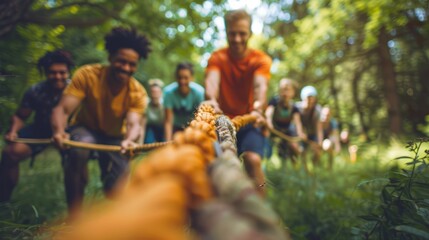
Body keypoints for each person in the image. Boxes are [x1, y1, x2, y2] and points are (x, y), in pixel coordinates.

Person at [51, 27, 150, 214]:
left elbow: (133, 123)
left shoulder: (137, 92)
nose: (126, 68)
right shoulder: (87, 75)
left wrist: (129, 140)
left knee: (116, 189)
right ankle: (75, 215)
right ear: (111, 57)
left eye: (132, 64)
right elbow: (62, 109)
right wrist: (58, 131)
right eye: (122, 61)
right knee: (78, 150)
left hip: (116, 137)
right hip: (85, 128)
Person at [205, 9, 272, 195]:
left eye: (242, 33)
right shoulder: (217, 58)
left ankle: (261, 207)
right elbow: (212, 81)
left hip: (249, 119)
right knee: (218, 165)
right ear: (226, 32)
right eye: (232, 33)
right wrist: (211, 99)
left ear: (250, 33)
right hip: (222, 122)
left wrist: (259, 106)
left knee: (253, 160)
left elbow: (260, 86)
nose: (236, 39)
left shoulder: (260, 60)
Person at [0, 50, 74, 201]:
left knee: (76, 161)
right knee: (10, 153)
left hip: (71, 131)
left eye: (62, 72)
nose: (58, 77)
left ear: (68, 72)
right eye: (53, 73)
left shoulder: (76, 90)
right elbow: (21, 116)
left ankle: (76, 211)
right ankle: (3, 201)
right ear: (45, 72)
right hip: (40, 129)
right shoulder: (35, 91)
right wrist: (13, 131)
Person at [265, 78, 304, 167]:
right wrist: (269, 122)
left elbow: (297, 122)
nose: (285, 93)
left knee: (293, 148)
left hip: (287, 131)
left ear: (293, 92)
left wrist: (300, 133)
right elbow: (269, 112)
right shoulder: (274, 101)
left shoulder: (294, 107)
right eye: (282, 89)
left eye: (287, 90)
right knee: (267, 149)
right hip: (274, 129)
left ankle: (294, 165)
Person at [163, 62, 204, 141]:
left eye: (186, 78)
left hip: (193, 127)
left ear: (192, 78)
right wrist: (167, 142)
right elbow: (168, 121)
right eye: (179, 77)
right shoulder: (168, 93)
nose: (182, 81)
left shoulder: (199, 93)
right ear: (176, 78)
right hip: (175, 127)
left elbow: (200, 119)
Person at [296, 85, 323, 168]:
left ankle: (315, 167)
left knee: (317, 151)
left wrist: (320, 141)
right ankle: (304, 169)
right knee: (302, 151)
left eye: (312, 98)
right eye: (308, 97)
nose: (310, 100)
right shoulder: (297, 107)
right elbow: (296, 122)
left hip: (312, 133)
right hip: (300, 133)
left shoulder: (317, 110)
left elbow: (318, 127)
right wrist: (300, 133)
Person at [139, 79, 165, 144]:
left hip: (162, 128)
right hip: (150, 127)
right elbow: (142, 126)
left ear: (161, 93)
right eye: (153, 92)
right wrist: (139, 144)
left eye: (156, 92)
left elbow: (167, 123)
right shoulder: (146, 104)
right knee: (148, 141)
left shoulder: (165, 105)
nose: (154, 95)